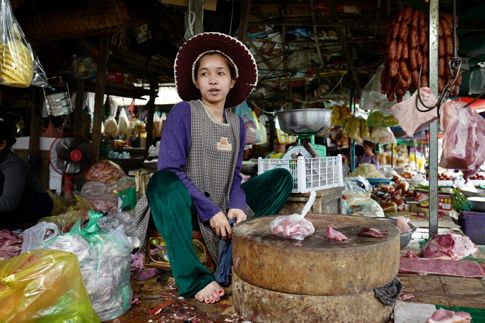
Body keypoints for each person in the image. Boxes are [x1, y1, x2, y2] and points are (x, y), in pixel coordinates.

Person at [146, 32, 293, 304]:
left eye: (220, 73)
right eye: (205, 74)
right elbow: (171, 168)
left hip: (223, 208)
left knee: (281, 178)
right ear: (196, 81)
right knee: (162, 181)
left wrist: (236, 204)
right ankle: (193, 279)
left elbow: (235, 177)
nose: (213, 80)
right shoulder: (184, 112)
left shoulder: (237, 124)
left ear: (232, 80)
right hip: (186, 208)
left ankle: (235, 237)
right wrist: (210, 211)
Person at [0, 118, 53, 229]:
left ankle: (19, 224)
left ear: (2, 145)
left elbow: (8, 202)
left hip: (34, 204)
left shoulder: (13, 166)